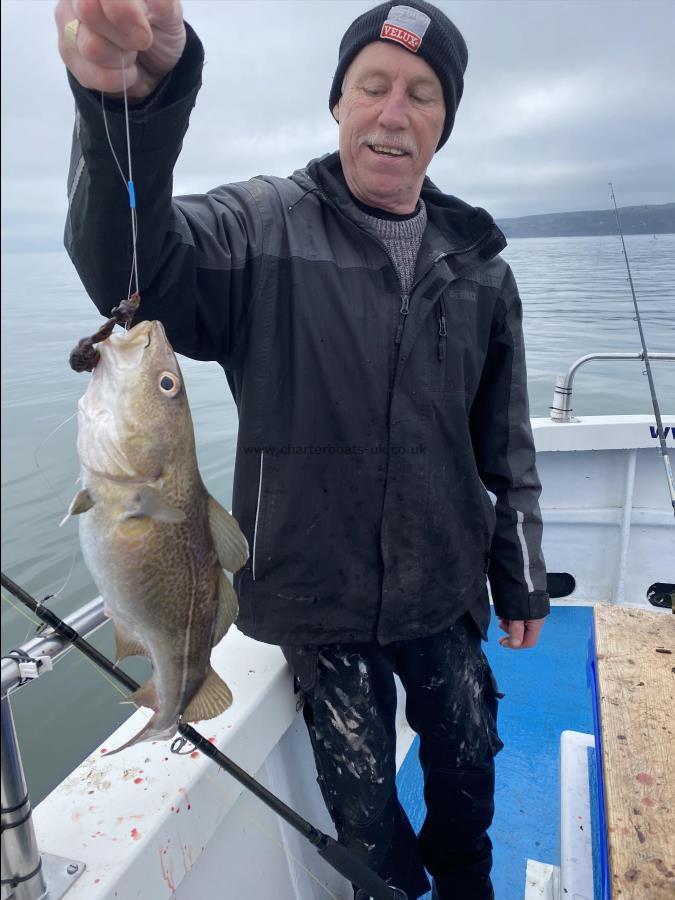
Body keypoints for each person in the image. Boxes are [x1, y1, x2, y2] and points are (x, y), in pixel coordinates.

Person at [56, 1, 549, 897]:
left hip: (444, 587)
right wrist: (128, 105)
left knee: (469, 764)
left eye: (421, 94)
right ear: (338, 102)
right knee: (362, 820)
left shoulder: (480, 266)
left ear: (445, 121)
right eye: (372, 86)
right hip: (319, 603)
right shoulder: (261, 226)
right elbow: (130, 266)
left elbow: (504, 442)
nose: (393, 113)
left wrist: (516, 577)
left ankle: (468, 882)